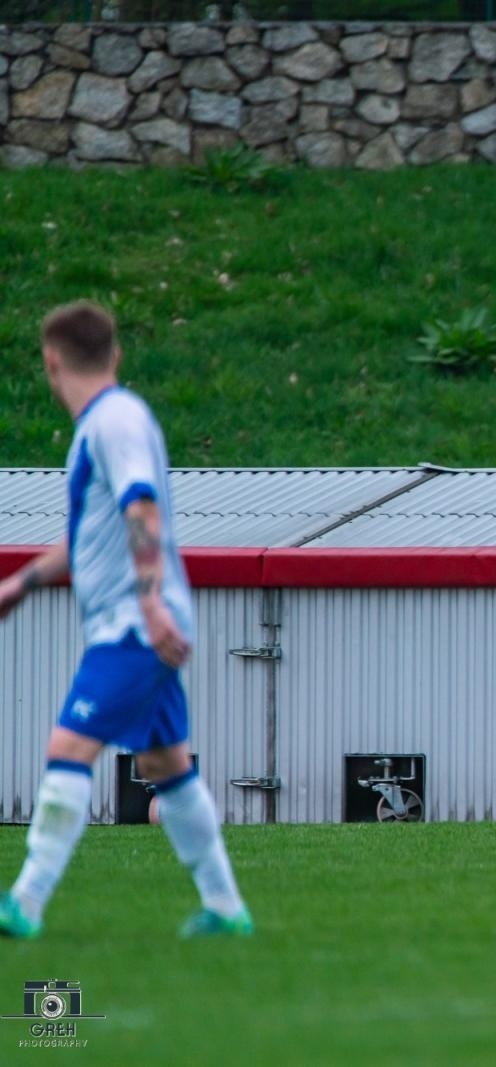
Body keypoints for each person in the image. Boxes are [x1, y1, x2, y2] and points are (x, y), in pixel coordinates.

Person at [0, 301, 252, 940]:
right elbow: (93, 531)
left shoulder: (114, 422)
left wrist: (147, 602)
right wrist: (23, 583)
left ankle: (24, 902)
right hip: (138, 621)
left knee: (68, 747)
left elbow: (142, 508)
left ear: (51, 361)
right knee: (167, 766)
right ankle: (225, 909)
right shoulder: (105, 425)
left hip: (133, 626)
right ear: (113, 354)